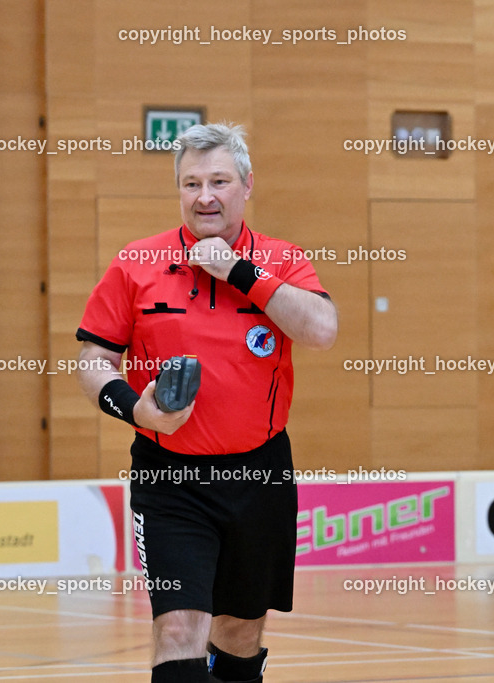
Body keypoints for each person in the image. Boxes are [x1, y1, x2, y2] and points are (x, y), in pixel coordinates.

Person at [75, 122, 338, 682]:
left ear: (246, 186)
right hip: (170, 476)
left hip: (259, 473)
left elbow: (321, 329)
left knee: (239, 632)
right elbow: (92, 360)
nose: (205, 196)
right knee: (179, 627)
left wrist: (237, 271)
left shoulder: (280, 258)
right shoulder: (135, 264)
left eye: (219, 180)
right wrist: (134, 409)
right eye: (191, 184)